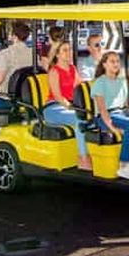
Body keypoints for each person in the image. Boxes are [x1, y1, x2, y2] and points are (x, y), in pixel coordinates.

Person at [91, 51, 129, 180]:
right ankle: (124, 164)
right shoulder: (100, 82)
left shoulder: (122, 82)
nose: (116, 64)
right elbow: (102, 110)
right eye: (112, 61)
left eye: (117, 61)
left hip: (120, 114)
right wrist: (112, 128)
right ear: (104, 64)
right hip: (105, 117)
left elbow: (126, 104)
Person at [43, 41, 91, 170]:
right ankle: (83, 159)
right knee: (80, 120)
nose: (68, 52)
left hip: (71, 106)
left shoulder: (72, 68)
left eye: (69, 49)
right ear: (57, 54)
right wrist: (72, 107)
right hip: (53, 108)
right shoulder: (54, 71)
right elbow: (58, 96)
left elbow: (80, 87)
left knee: (92, 118)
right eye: (64, 50)